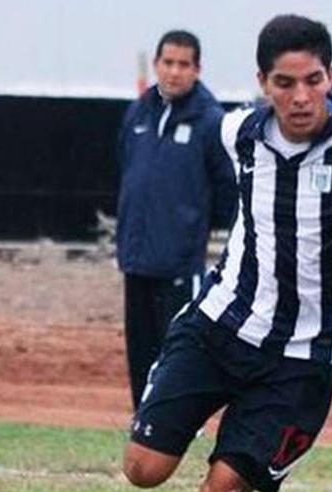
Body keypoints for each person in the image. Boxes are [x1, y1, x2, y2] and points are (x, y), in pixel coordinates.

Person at [120, 14, 332, 492]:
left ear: (330, 76)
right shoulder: (237, 131)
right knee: (143, 468)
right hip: (217, 327)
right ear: (263, 83)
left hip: (299, 361)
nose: (301, 96)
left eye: (313, 80)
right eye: (285, 83)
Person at [116, 30, 236, 411]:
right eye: (168, 63)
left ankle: (180, 420)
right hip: (136, 259)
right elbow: (126, 167)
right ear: (156, 65)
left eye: (184, 64)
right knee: (140, 347)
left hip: (180, 263)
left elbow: (227, 188)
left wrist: (191, 229)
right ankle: (143, 419)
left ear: (197, 69)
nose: (174, 72)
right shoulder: (138, 112)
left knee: (179, 348)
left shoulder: (210, 121)